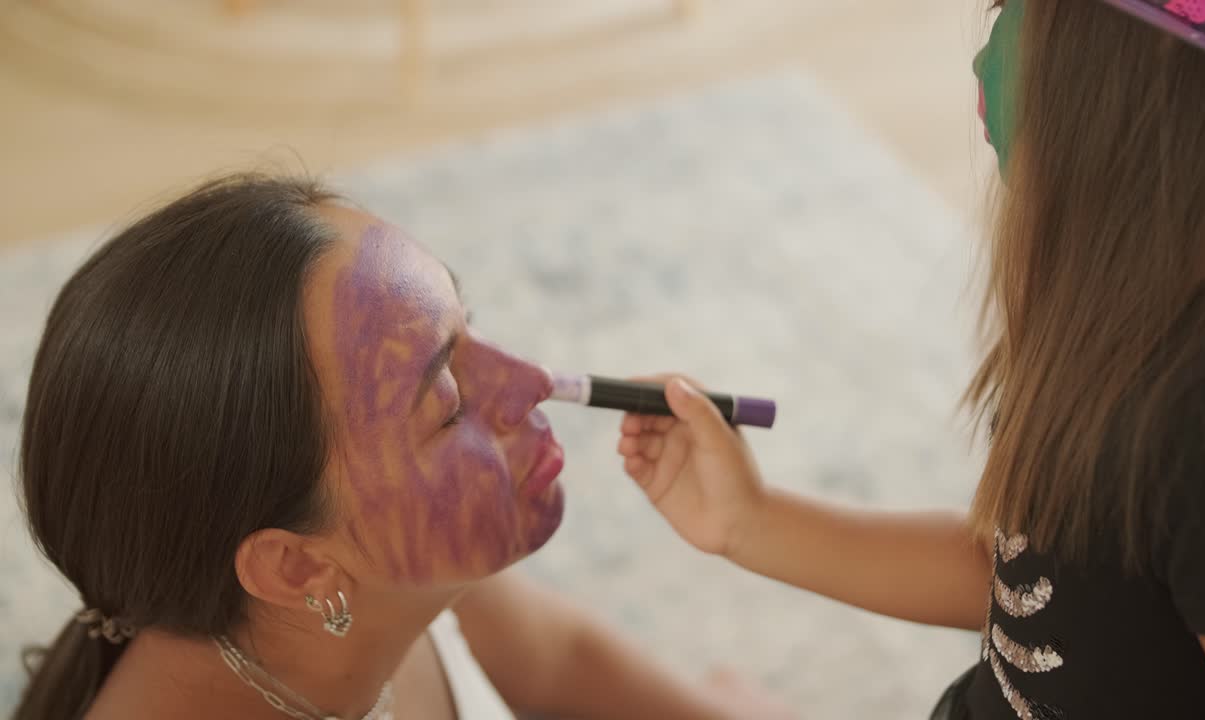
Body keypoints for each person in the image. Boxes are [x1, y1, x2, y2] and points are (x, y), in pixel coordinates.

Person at [617, 1, 1205, 718]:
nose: (985, 55)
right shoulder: (1128, 321)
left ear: (1122, 78)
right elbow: (1035, 585)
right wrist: (751, 520)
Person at [13, 174, 794, 720]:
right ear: (297, 566)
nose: (531, 381)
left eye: (468, 327)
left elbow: (552, 652)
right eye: (449, 406)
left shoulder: (388, 580)